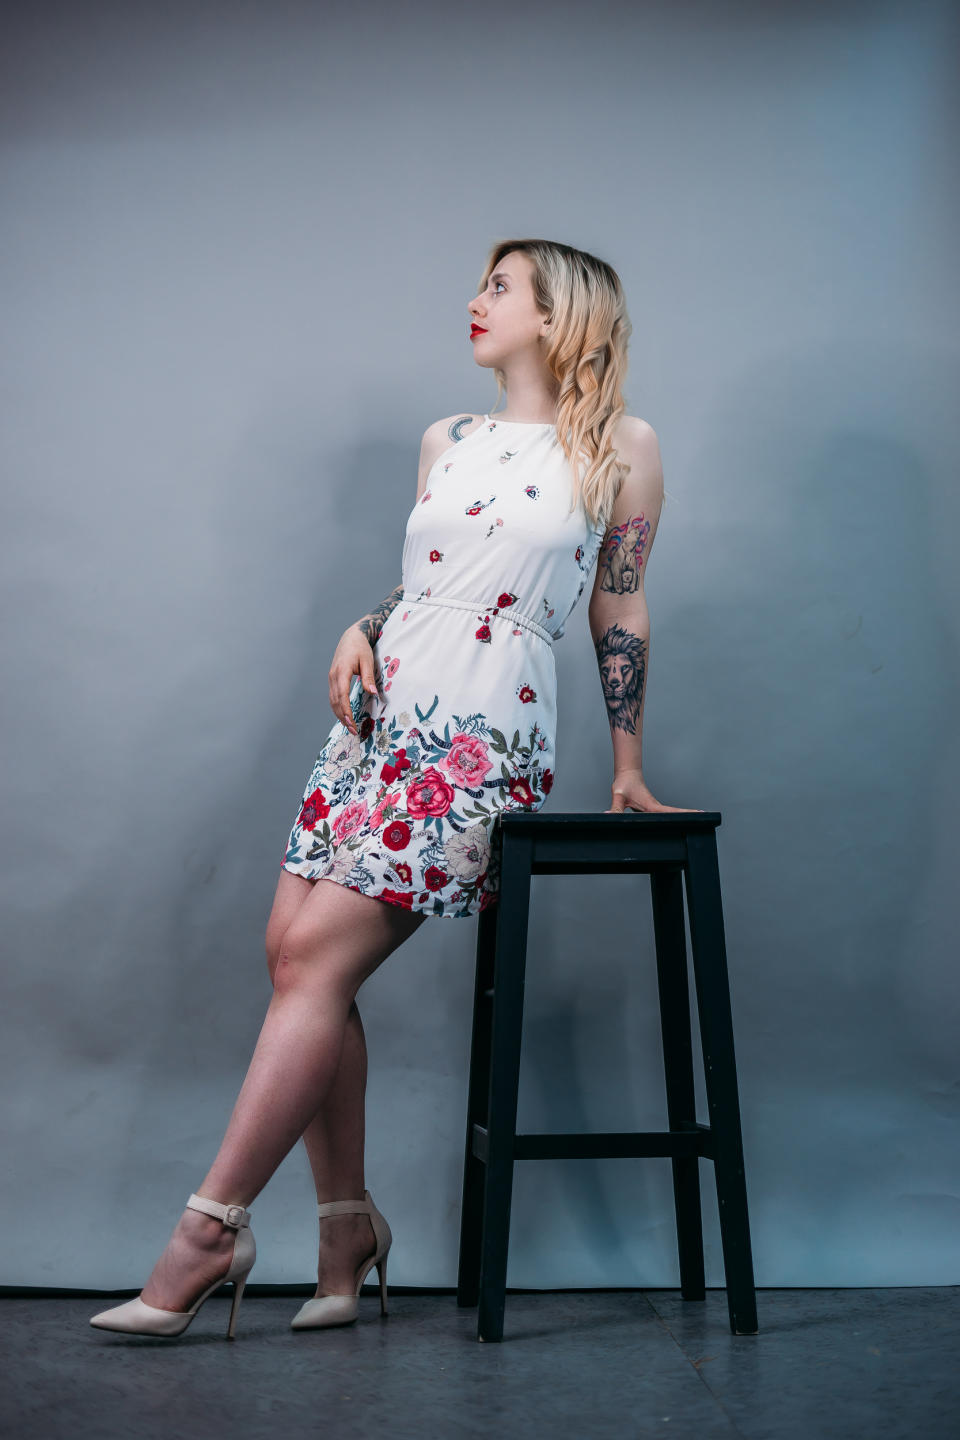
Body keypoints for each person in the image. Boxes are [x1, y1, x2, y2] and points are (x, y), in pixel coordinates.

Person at [89, 238, 697, 1340]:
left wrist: (627, 766)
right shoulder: (446, 439)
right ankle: (346, 1231)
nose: (475, 301)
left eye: (500, 287)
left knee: (314, 961)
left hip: (480, 733)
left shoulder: (623, 446)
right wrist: (362, 623)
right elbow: (434, 578)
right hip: (379, 721)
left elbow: (619, 605)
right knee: (292, 957)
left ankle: (208, 1231)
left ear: (559, 315)